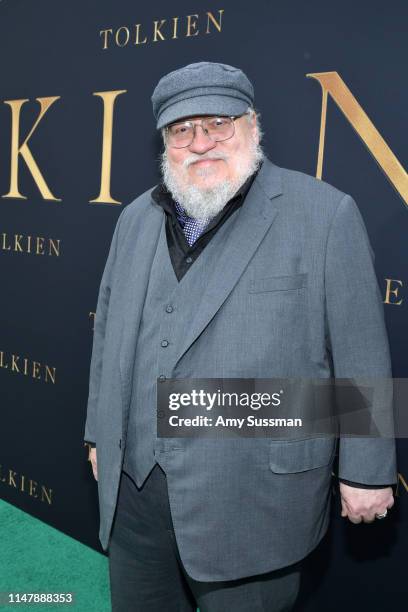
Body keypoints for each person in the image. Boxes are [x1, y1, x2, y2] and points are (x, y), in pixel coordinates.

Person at [84, 61, 397, 611]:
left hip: (251, 501)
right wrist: (98, 434)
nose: (200, 142)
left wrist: (367, 472)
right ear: (165, 141)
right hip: (135, 497)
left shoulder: (324, 214)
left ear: (252, 124)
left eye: (218, 123)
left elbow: (360, 349)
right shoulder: (134, 218)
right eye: (182, 130)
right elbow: (108, 333)